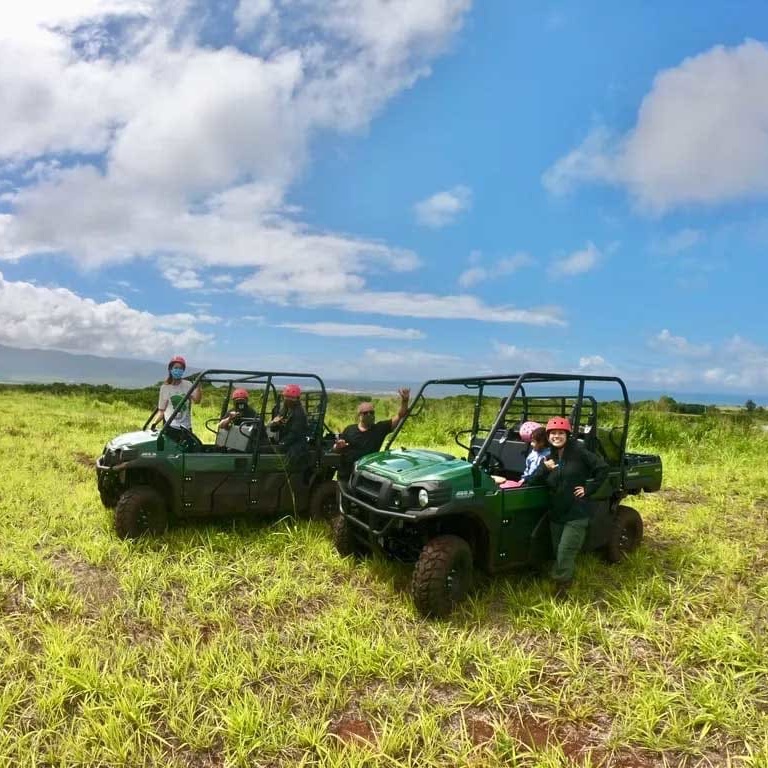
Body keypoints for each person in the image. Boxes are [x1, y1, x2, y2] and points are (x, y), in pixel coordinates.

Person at [528, 416, 608, 597]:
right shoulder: (550, 456)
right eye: (553, 433)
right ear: (548, 436)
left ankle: (563, 586)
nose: (556, 436)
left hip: (576, 513)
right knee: (558, 550)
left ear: (567, 434)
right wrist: (544, 469)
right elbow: (532, 481)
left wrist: (589, 488)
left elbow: (602, 468)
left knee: (565, 551)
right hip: (556, 513)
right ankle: (561, 575)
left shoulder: (579, 452)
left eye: (560, 433)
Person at [334, 388, 410, 482]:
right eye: (366, 413)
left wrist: (405, 401)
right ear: (360, 415)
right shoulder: (350, 430)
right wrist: (338, 447)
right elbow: (336, 449)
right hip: (346, 476)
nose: (369, 415)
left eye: (372, 412)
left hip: (366, 478)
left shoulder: (379, 429)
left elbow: (400, 416)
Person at [150, 355, 202, 433]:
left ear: (183, 370)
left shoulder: (188, 385)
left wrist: (198, 387)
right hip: (170, 427)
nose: (178, 370)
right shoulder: (165, 388)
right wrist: (154, 423)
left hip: (186, 427)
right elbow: (161, 411)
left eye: (180, 368)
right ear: (170, 369)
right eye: (176, 368)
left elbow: (197, 401)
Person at [496, 421, 550, 489]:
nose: (531, 444)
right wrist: (523, 479)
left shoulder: (548, 455)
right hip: (528, 481)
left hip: (538, 484)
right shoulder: (533, 454)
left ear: (542, 442)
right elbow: (528, 468)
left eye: (533, 442)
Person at [268, 383, 309, 471]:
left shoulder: (299, 414)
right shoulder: (284, 410)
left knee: (269, 450)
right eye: (286, 397)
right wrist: (274, 424)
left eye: (291, 398)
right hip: (285, 440)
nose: (288, 400)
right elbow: (273, 428)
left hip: (295, 444)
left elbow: (295, 433)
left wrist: (281, 444)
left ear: (297, 399)